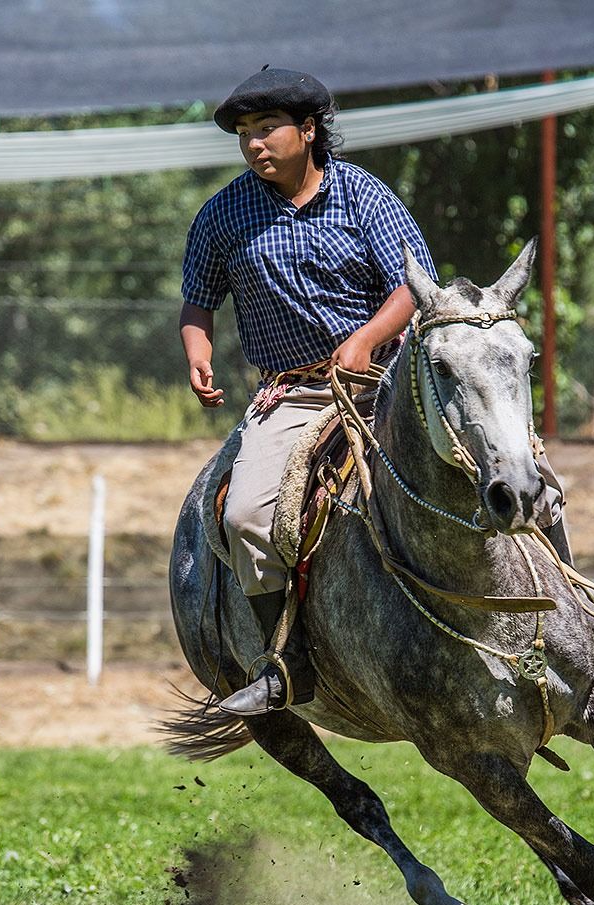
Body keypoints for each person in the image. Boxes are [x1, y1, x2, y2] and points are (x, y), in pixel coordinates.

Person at [179, 67, 435, 717]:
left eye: (267, 128)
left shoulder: (363, 197)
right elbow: (198, 301)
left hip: (388, 382)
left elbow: (415, 284)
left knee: (497, 461)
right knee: (243, 516)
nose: (255, 144)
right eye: (244, 133)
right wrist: (198, 353)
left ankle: (549, 617)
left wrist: (364, 340)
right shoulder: (223, 214)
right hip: (293, 396)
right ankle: (283, 659)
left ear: (309, 130)